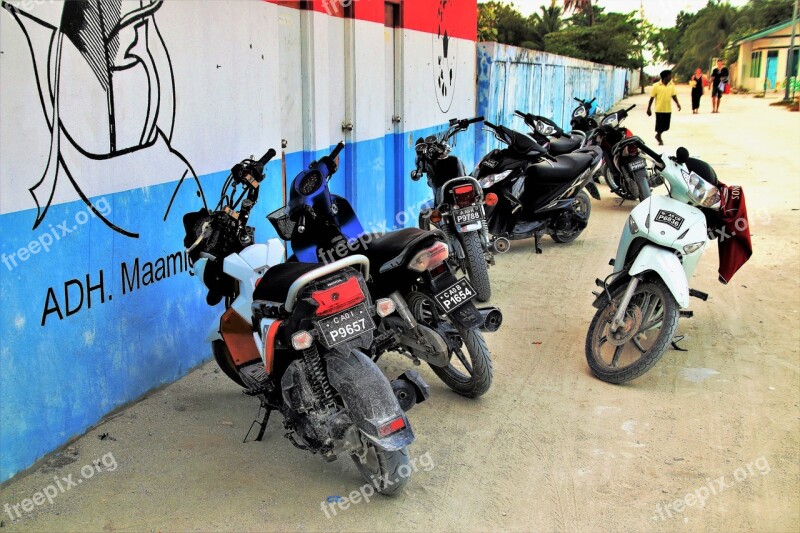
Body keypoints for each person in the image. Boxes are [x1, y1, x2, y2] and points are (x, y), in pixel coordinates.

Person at [646, 70, 681, 146]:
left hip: (668, 109)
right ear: (665, 76)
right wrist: (648, 108)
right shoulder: (656, 85)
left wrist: (678, 104)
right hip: (659, 109)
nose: (671, 77)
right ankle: (659, 136)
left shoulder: (671, 85)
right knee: (659, 125)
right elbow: (652, 98)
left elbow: (673, 95)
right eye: (669, 75)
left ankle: (658, 134)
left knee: (666, 126)